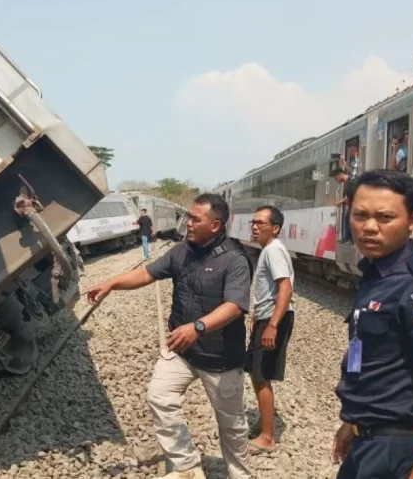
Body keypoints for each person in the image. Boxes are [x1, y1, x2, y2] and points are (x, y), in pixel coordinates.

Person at [85, 193, 253, 479]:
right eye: (188, 216)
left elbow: (234, 307)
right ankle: (187, 466)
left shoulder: (234, 260)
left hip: (220, 357)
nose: (188, 223)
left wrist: (197, 327)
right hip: (182, 351)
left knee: (231, 424)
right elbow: (147, 274)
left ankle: (241, 475)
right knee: (160, 398)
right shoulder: (181, 251)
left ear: (215, 225)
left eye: (195, 219)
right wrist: (111, 283)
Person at [332, 170, 413, 479]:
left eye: (385, 217)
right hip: (367, 438)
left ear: (412, 221)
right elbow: (363, 353)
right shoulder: (375, 278)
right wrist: (352, 422)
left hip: (398, 450)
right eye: (360, 215)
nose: (370, 227)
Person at [244, 206, 295, 454]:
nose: (254, 226)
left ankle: (268, 438)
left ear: (275, 228)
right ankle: (264, 423)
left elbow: (285, 288)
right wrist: (257, 315)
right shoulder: (268, 250)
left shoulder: (274, 251)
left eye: (260, 223)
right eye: (253, 222)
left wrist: (272, 325)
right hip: (265, 317)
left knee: (262, 375)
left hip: (274, 319)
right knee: (256, 372)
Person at [332, 167, 352, 243]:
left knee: (348, 219)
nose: (337, 180)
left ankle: (349, 238)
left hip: (353, 205)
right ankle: (348, 238)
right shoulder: (347, 181)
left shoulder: (350, 181)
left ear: (340, 175)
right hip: (351, 205)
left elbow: (349, 196)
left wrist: (339, 202)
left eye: (336, 178)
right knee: (347, 219)